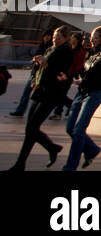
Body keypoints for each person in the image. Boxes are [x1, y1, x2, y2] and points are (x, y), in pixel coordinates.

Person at [8, 24, 74, 170]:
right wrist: (37, 62)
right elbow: (42, 67)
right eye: (54, 37)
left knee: (32, 128)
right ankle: (41, 153)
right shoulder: (51, 49)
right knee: (30, 128)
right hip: (40, 91)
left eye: (58, 38)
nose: (54, 40)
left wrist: (46, 64)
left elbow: (59, 73)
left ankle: (47, 150)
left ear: (65, 38)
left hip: (52, 93)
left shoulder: (66, 52)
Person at [62, 25, 101, 171]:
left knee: (78, 130)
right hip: (81, 92)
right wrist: (71, 77)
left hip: (94, 94)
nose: (92, 39)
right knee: (70, 127)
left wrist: (86, 81)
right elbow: (83, 71)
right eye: (92, 36)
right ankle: (91, 149)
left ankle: (70, 167)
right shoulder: (90, 52)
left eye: (95, 37)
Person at [9, 30, 53, 118]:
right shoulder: (42, 45)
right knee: (26, 92)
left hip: (42, 74)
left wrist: (39, 60)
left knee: (37, 95)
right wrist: (35, 60)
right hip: (35, 72)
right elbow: (35, 57)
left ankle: (34, 112)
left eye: (49, 36)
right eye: (45, 35)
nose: (46, 37)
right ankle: (20, 110)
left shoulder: (50, 47)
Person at [51, 31, 86, 119]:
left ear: (78, 40)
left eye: (74, 39)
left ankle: (64, 108)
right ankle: (61, 110)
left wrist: (72, 74)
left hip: (70, 74)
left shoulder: (81, 50)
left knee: (61, 94)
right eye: (71, 38)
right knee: (60, 93)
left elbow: (78, 64)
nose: (72, 40)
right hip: (63, 73)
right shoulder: (69, 47)